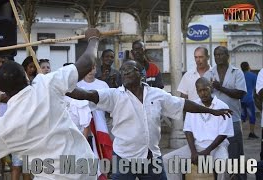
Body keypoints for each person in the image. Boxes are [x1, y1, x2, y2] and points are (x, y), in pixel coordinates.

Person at [0, 28, 101, 180]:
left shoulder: (3, 127)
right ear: (25, 75)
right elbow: (88, 62)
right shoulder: (46, 83)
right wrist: (93, 38)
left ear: (1, 89)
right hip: (84, 168)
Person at [67, 60, 232, 179]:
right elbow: (86, 95)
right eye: (122, 70)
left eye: (129, 69)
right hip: (125, 158)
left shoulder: (156, 94)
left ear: (141, 74)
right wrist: (62, 86)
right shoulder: (114, 95)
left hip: (151, 158)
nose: (124, 73)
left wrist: (211, 111)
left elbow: (183, 104)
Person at [163, 77, 234, 180]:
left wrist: (207, 151)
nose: (203, 93)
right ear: (197, 91)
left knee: (223, 164)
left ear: (211, 88)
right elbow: (188, 131)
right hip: (196, 146)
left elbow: (223, 134)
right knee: (167, 159)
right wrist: (193, 152)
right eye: (200, 91)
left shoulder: (222, 106)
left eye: (205, 89)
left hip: (217, 147)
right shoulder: (193, 106)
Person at [203, 46, 247, 180]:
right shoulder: (208, 74)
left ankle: (238, 177)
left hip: (232, 119)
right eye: (216, 55)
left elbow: (240, 93)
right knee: (215, 152)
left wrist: (220, 87)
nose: (218, 57)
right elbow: (203, 95)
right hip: (213, 121)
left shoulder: (237, 72)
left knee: (235, 153)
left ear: (227, 56)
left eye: (221, 54)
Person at [240, 62, 258, 138]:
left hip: (240, 99)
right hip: (249, 99)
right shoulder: (253, 76)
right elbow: (257, 88)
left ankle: (239, 133)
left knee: (241, 116)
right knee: (252, 116)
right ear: (248, 67)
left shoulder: (240, 76)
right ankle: (251, 133)